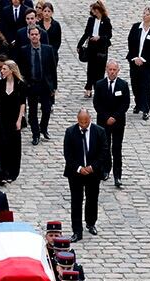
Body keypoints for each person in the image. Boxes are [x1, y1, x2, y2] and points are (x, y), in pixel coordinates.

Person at [62, 109, 108, 241]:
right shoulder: (70, 132)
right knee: (76, 201)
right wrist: (79, 168)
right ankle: (77, 230)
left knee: (92, 198)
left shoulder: (99, 131)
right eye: (81, 122)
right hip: (75, 173)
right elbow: (68, 154)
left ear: (90, 119)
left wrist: (93, 167)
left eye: (86, 122)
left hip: (93, 172)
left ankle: (91, 222)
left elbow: (104, 151)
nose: (83, 124)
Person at [92, 59, 130, 188]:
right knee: (105, 147)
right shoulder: (100, 84)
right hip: (103, 122)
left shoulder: (123, 85)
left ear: (118, 71)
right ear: (106, 70)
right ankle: (105, 170)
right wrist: (106, 117)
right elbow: (97, 103)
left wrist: (115, 117)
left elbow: (125, 104)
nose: (112, 72)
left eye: (114, 70)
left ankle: (117, 175)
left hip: (118, 122)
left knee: (117, 149)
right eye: (110, 69)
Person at [20, 27, 57, 145]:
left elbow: (53, 69)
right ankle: (35, 134)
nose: (34, 36)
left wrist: (54, 87)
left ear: (40, 36)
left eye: (36, 34)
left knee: (46, 109)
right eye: (32, 34)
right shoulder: (24, 50)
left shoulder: (48, 49)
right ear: (29, 36)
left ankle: (44, 128)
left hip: (45, 84)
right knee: (32, 112)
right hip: (31, 85)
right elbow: (22, 70)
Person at [0, 60, 26, 183]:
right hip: (1, 119)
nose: (2, 71)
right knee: (2, 146)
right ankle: (2, 172)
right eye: (1, 69)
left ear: (11, 70)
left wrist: (19, 120)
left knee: (14, 147)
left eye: (4, 69)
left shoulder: (20, 84)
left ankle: (12, 172)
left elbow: (22, 103)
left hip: (14, 118)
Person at [126, 6, 150, 120]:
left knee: (146, 85)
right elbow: (130, 42)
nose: (144, 16)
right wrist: (135, 58)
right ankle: (138, 104)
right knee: (135, 84)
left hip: (149, 63)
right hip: (134, 61)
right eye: (143, 13)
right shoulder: (136, 27)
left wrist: (143, 59)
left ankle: (146, 109)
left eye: (146, 14)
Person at [76, 1, 112, 98]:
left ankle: (98, 89)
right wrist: (79, 44)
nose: (94, 13)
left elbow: (109, 35)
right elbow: (86, 33)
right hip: (92, 47)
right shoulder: (91, 20)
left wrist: (99, 37)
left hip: (101, 48)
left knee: (100, 70)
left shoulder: (106, 20)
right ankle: (88, 88)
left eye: (95, 11)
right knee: (90, 69)